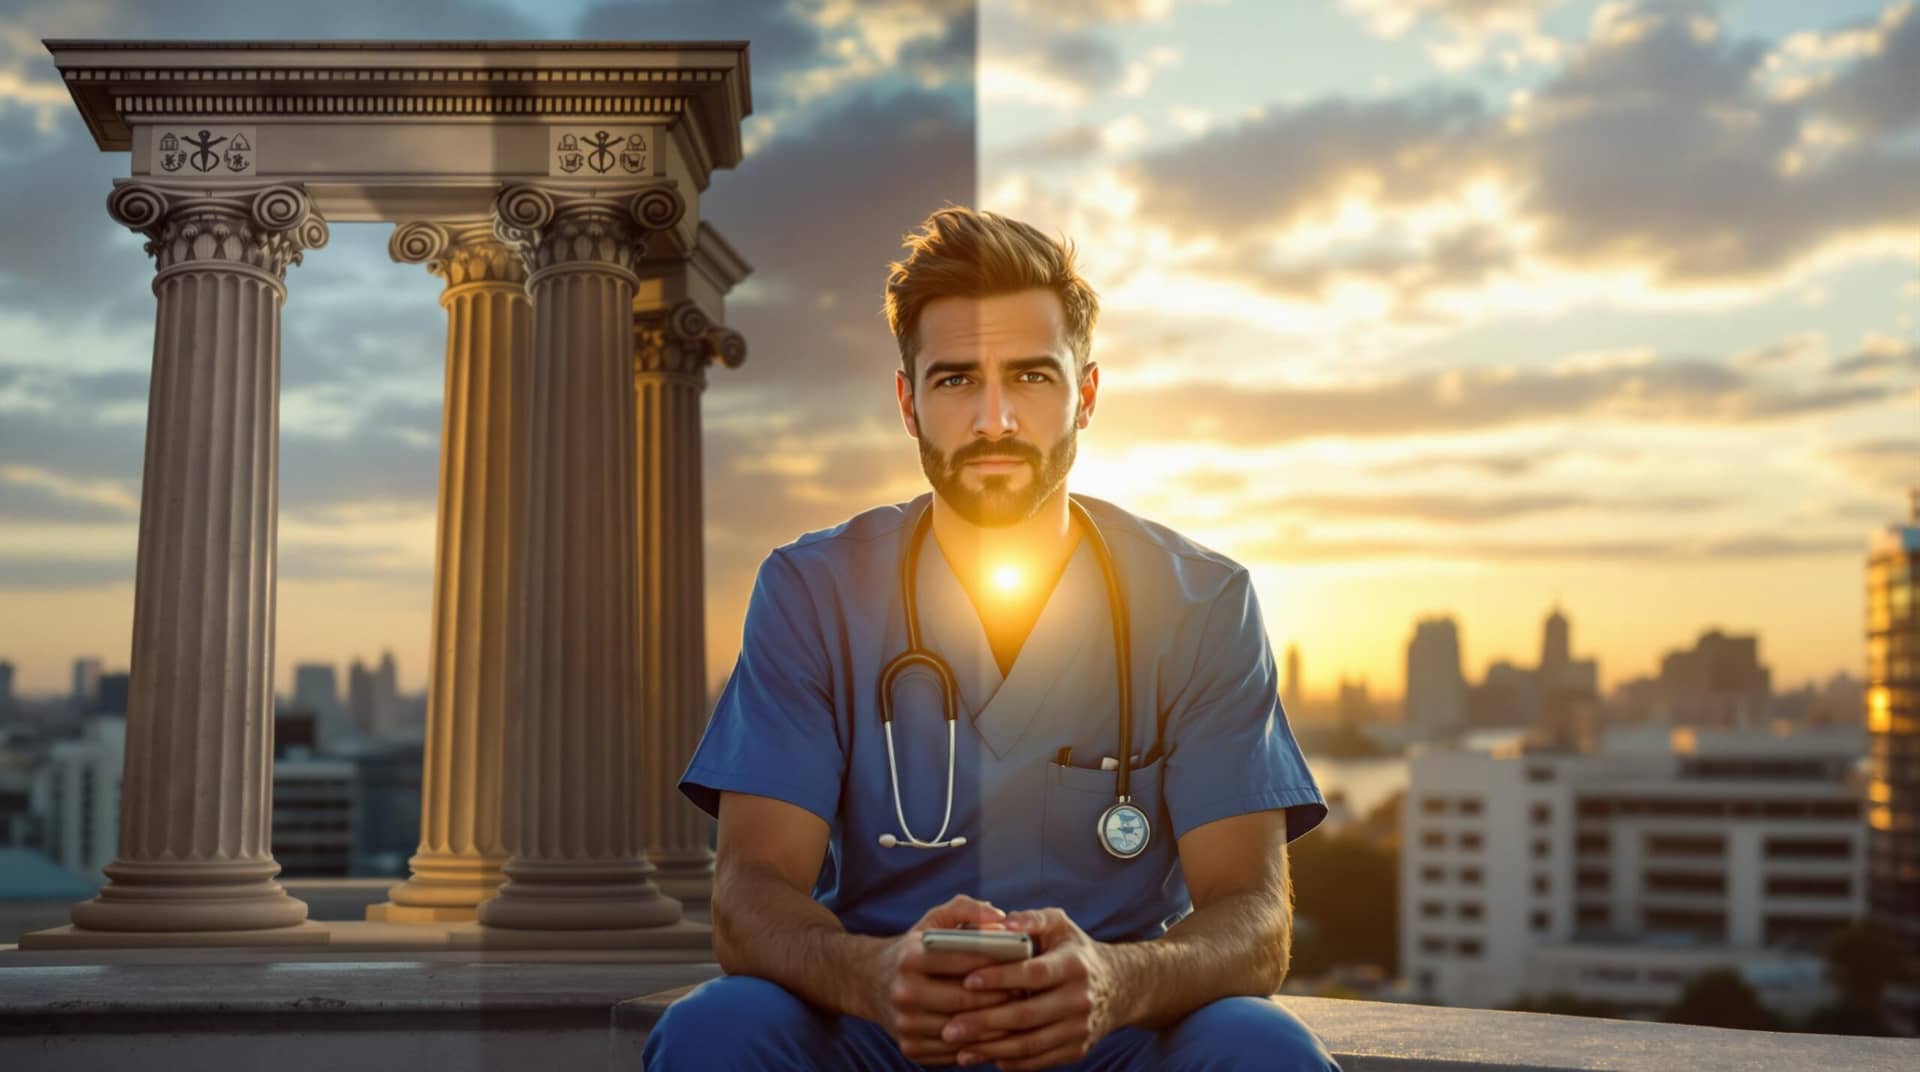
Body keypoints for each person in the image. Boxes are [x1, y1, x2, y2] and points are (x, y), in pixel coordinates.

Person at [644, 207, 1339, 1071]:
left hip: (1112, 1035)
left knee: (1261, 1047)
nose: (995, 418)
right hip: (881, 1029)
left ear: (1087, 395)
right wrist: (874, 976)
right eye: (955, 380)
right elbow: (751, 892)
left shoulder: (1202, 601)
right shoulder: (812, 591)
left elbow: (1254, 916)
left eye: (1032, 377)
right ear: (909, 402)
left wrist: (1117, 983)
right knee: (718, 1028)